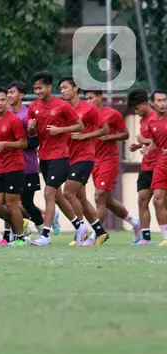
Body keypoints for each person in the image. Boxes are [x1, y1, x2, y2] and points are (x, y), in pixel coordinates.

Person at [26, 71, 83, 246]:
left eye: (40, 87)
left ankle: (45, 235)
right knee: (57, 196)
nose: (37, 91)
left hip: (60, 156)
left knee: (48, 194)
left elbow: (79, 126)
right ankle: (79, 226)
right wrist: (30, 128)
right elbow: (31, 133)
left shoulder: (62, 106)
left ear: (49, 87)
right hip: (43, 157)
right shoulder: (33, 107)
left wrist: (60, 130)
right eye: (35, 88)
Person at [58, 77, 109, 246]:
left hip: (85, 157)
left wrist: (84, 136)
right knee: (81, 198)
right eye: (61, 89)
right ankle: (100, 232)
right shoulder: (62, 109)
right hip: (68, 157)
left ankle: (80, 233)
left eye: (65, 87)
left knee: (68, 193)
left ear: (75, 88)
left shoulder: (89, 109)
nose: (62, 91)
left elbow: (105, 129)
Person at [85, 90, 141, 242]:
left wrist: (110, 136)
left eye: (91, 98)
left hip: (109, 159)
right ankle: (135, 223)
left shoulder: (112, 114)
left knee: (99, 196)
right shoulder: (86, 115)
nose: (88, 101)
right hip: (94, 161)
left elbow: (125, 134)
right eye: (87, 98)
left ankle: (95, 235)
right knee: (107, 200)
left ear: (99, 97)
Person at [0, 87, 28, 246]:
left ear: (7, 101)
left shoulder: (14, 120)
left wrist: (6, 144)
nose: (0, 103)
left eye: (3, 99)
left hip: (14, 167)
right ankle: (19, 224)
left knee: (11, 203)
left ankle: (20, 238)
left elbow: (23, 143)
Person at [7, 81, 49, 234]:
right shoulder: (7, 115)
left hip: (27, 165)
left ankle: (41, 229)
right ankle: (15, 232)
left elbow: (34, 141)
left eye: (12, 92)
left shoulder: (27, 115)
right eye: (8, 93)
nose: (9, 95)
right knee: (7, 201)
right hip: (9, 165)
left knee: (26, 203)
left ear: (21, 95)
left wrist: (13, 144)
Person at [128, 89, 158, 245]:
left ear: (146, 104)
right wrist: (138, 144)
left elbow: (160, 141)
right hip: (146, 165)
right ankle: (146, 238)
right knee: (142, 199)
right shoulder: (143, 120)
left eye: (138, 108)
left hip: (159, 165)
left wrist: (143, 140)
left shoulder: (156, 117)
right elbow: (149, 141)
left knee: (161, 202)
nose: (136, 111)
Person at [142, 89, 167, 246]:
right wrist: (147, 149)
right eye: (159, 100)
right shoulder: (152, 122)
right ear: (152, 103)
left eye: (165, 100)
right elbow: (156, 142)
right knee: (158, 200)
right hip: (162, 163)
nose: (163, 103)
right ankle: (166, 237)